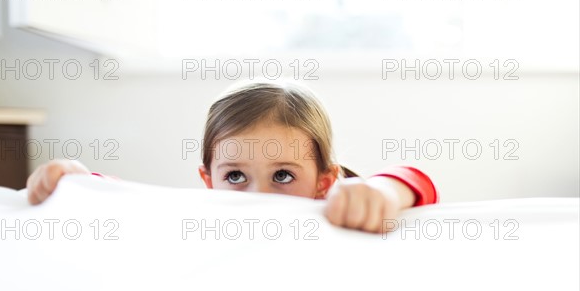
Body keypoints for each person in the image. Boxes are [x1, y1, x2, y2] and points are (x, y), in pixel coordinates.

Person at [27, 81, 438, 234]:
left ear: (324, 182)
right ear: (208, 180)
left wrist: (381, 192)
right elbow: (143, 204)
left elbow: (418, 179)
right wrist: (78, 181)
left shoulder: (335, 207)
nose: (256, 195)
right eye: (237, 176)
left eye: (282, 176)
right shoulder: (208, 213)